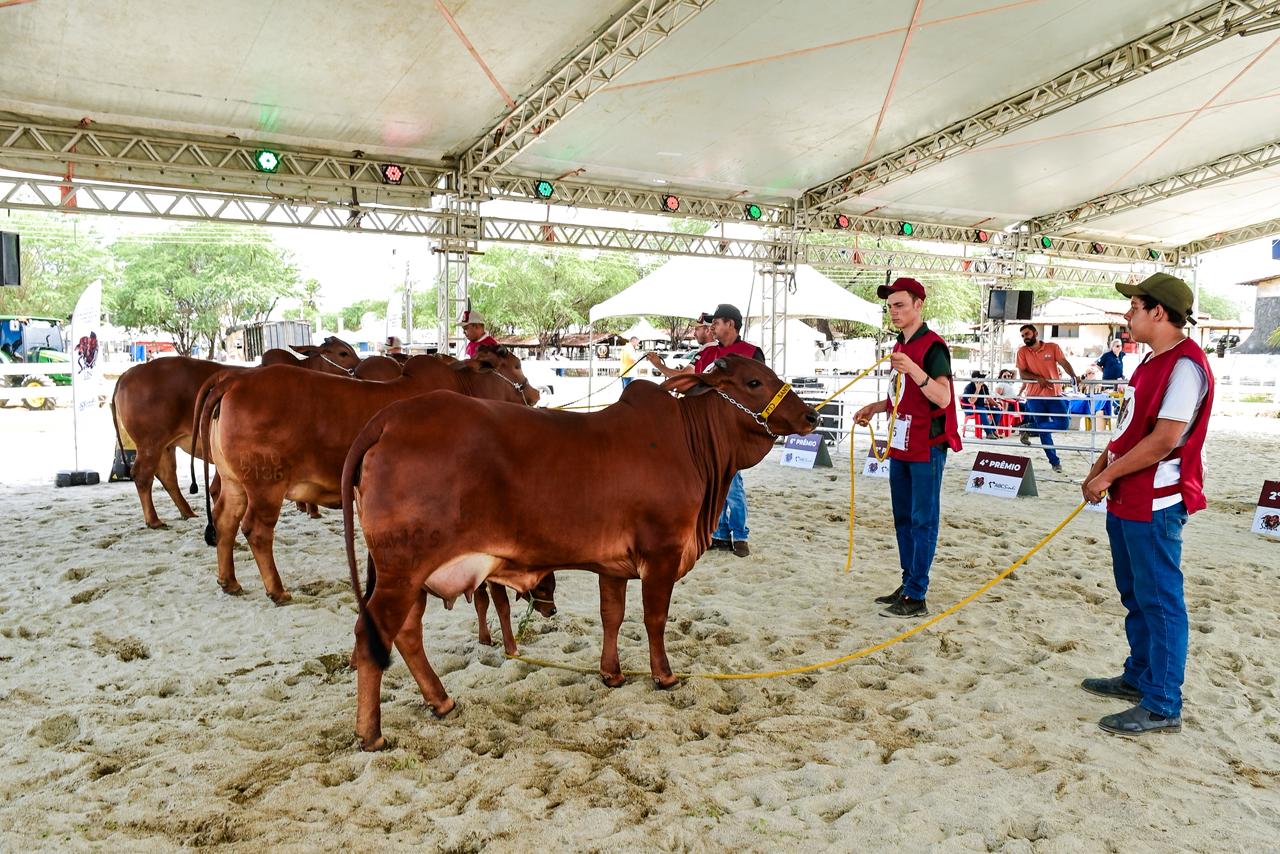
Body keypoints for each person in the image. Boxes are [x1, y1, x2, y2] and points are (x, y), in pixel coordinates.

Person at [1080, 273, 1213, 736]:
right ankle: (1139, 676)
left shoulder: (1185, 367)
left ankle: (1162, 703)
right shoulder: (1150, 363)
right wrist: (1101, 467)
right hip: (1127, 496)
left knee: (1160, 601)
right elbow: (1127, 428)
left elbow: (1163, 441)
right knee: (1135, 593)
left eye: (1134, 306)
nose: (1127, 314)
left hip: (1156, 500)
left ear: (1159, 312)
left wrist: (1107, 474)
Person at [853, 278, 962, 618]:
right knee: (903, 518)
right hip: (901, 441)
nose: (894, 312)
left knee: (922, 519)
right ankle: (909, 582)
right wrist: (877, 406)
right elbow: (901, 396)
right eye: (890, 307)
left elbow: (943, 397)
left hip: (927, 444)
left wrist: (914, 370)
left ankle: (917, 593)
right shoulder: (900, 345)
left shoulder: (933, 347)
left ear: (918, 305)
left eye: (900, 305)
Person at [1016, 323, 1078, 473]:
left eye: (1027, 334)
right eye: (1023, 335)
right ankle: (1054, 462)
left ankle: (1028, 428)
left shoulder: (1053, 347)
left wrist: (1073, 376)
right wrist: (1038, 378)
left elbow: (1063, 362)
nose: (1025, 337)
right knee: (1045, 430)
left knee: (1063, 423)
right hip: (1034, 396)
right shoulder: (1022, 352)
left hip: (1054, 394)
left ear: (1035, 333)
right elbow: (1022, 374)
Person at [646, 314, 715, 379]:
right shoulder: (715, 349)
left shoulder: (709, 351)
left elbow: (684, 376)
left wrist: (658, 364)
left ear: (707, 330)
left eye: (696, 329)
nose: (694, 334)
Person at [960, 371, 994, 437]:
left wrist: (996, 404)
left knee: (997, 410)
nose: (982, 382)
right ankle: (989, 433)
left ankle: (993, 430)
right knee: (983, 411)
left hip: (980, 407)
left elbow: (989, 398)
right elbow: (972, 401)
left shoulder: (984, 386)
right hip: (970, 409)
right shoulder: (968, 388)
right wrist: (977, 389)